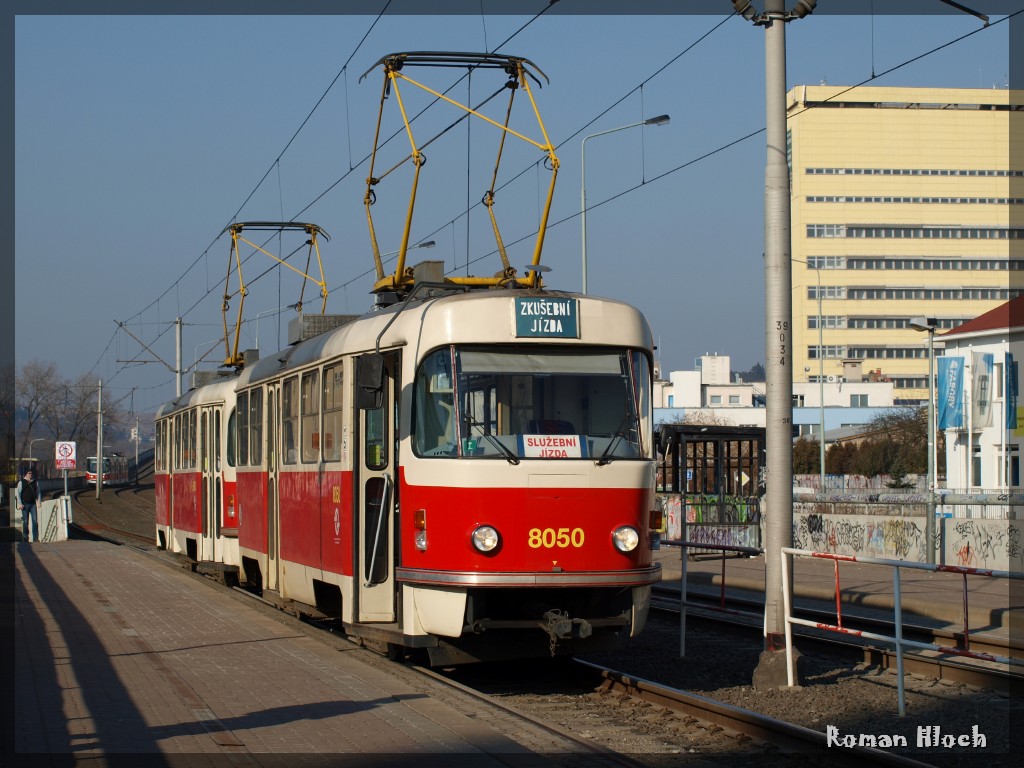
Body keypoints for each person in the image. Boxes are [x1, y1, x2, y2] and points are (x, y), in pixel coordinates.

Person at [15, 469, 39, 543]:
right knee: (25, 522)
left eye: (31, 473)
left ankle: (35, 538)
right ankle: (25, 538)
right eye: (29, 473)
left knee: (35, 521)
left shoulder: (35, 482)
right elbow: (18, 493)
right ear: (26, 474)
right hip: (24, 504)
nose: (30, 474)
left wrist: (38, 501)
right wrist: (20, 503)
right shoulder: (21, 483)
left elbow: (38, 492)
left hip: (33, 504)